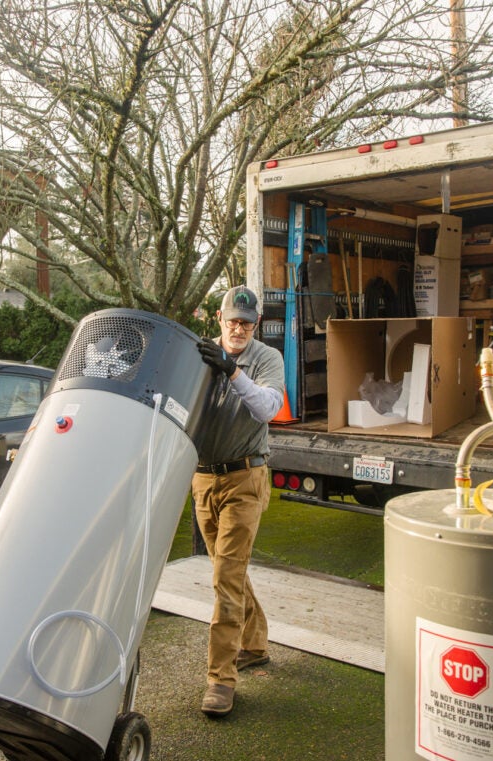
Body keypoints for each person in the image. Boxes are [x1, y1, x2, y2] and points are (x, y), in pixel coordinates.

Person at [192, 285, 285, 717]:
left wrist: (232, 371)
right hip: (203, 479)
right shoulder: (201, 353)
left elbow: (267, 408)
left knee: (226, 578)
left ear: (256, 324)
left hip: (246, 477)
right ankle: (255, 643)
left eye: (247, 323)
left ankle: (220, 679)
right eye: (232, 321)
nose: (239, 329)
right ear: (219, 317)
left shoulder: (266, 359)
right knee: (228, 570)